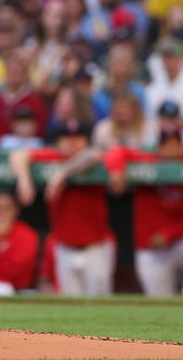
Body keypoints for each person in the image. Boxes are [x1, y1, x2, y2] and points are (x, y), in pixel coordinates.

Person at [10, 120, 115, 296]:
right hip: (64, 248)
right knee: (71, 306)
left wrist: (62, 174)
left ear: (85, 140)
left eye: (77, 138)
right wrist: (24, 180)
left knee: (100, 305)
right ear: (58, 141)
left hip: (96, 247)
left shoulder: (91, 159)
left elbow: (94, 155)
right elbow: (18, 156)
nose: (72, 142)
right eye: (66, 138)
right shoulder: (53, 158)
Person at [104, 120, 183, 298]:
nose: (171, 149)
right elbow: (116, 152)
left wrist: (169, 234)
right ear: (158, 148)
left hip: (179, 243)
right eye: (165, 144)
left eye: (176, 144)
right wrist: (116, 171)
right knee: (160, 300)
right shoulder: (149, 162)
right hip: (151, 248)